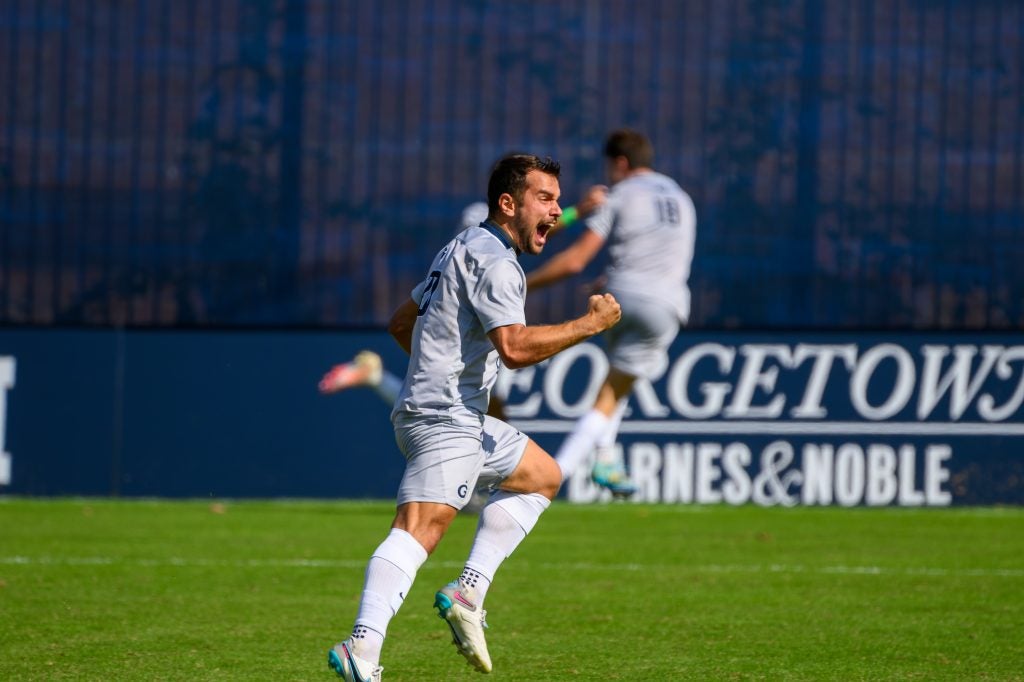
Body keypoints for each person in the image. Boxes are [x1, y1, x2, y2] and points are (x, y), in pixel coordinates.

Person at [326, 154, 621, 681]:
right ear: (509, 204)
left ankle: (468, 591)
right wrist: (590, 324)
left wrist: (439, 361)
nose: (556, 211)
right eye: (546, 199)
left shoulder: (461, 245)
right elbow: (514, 348)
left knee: (541, 476)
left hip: (452, 413)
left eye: (558, 199)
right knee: (421, 528)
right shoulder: (498, 260)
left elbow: (401, 322)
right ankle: (361, 650)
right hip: (446, 418)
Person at [524, 129, 696, 498]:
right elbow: (661, 256)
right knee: (616, 387)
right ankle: (586, 464)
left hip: (622, 296)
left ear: (620, 163)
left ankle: (561, 472)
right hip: (666, 304)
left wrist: (525, 284)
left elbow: (575, 262)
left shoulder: (620, 195)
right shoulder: (682, 198)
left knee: (613, 387)